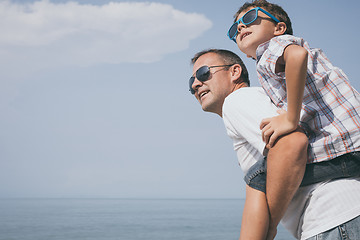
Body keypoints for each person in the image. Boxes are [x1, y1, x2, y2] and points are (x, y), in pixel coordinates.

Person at [189, 49, 360, 239]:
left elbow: (292, 142)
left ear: (234, 72)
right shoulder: (254, 107)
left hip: (333, 218)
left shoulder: (237, 100)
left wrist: (270, 224)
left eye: (203, 73)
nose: (196, 84)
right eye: (191, 82)